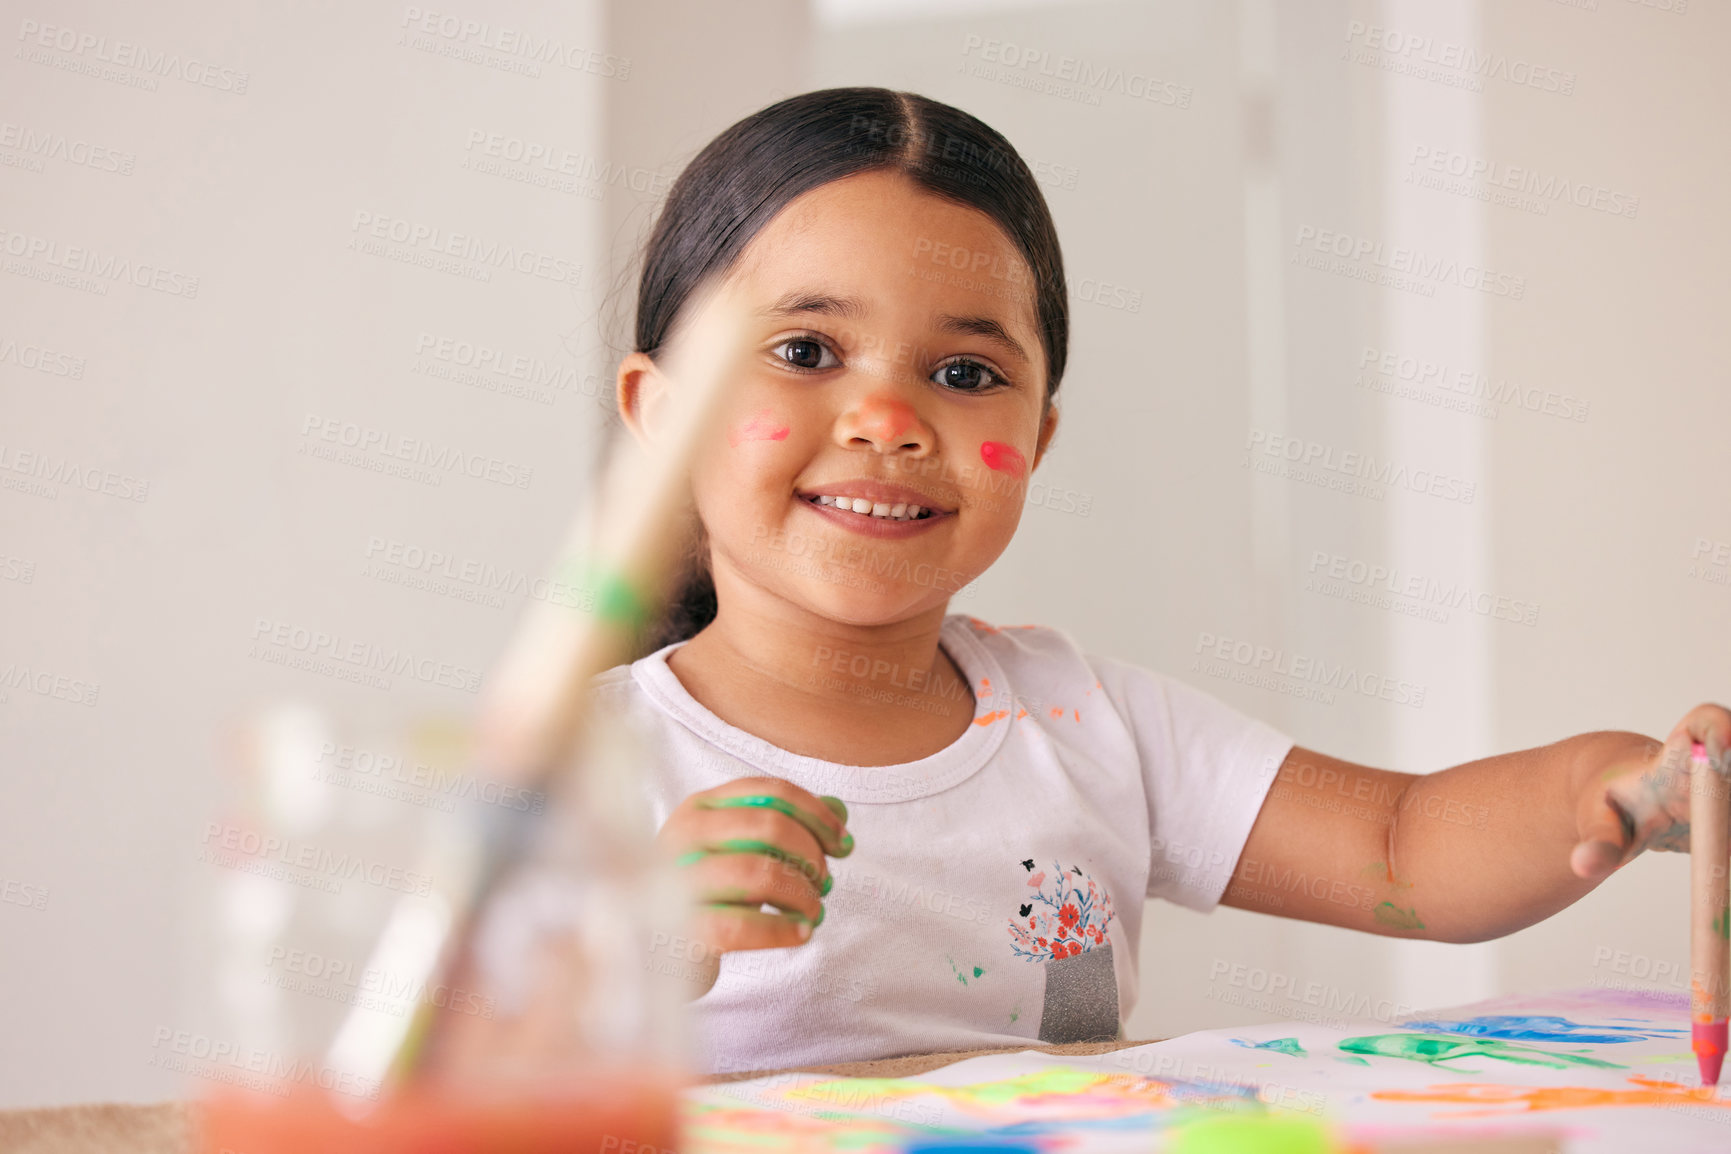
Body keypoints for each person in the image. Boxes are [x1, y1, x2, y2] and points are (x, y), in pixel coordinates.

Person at [587, 86, 1726, 1073]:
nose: (888, 420)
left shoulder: (1083, 719)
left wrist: (1620, 785)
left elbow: (1404, 845)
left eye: (966, 370)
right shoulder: (577, 762)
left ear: (1038, 437)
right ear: (661, 411)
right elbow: (442, 1060)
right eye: (804, 351)